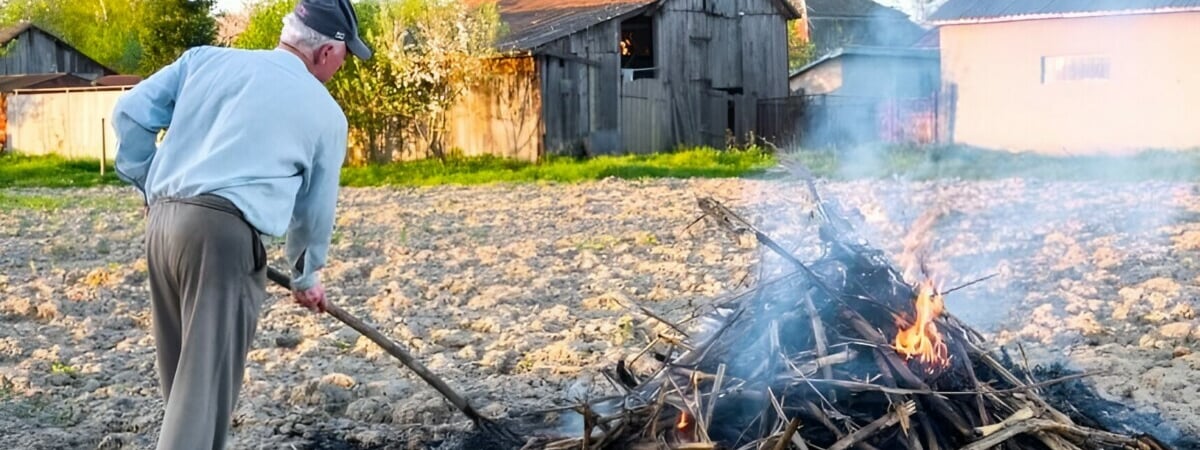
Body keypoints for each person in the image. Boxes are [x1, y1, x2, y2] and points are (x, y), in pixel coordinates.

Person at [111, 0, 372, 448]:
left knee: (183, 387)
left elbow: (129, 114)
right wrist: (306, 276)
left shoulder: (204, 60)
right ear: (327, 52)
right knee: (202, 393)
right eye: (345, 58)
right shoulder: (325, 112)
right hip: (223, 240)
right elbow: (313, 210)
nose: (341, 68)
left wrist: (148, 184)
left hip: (163, 228)